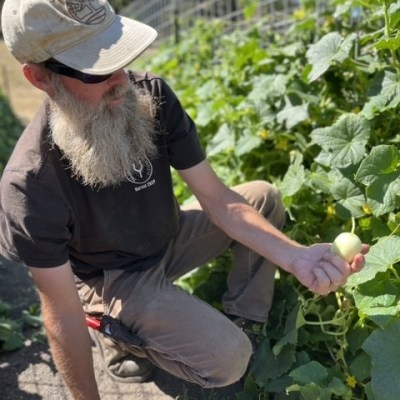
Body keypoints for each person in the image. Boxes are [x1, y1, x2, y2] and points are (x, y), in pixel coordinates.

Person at [0, 1, 368, 399]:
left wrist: (297, 257)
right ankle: (117, 334)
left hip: (168, 235)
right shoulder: (29, 185)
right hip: (112, 279)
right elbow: (61, 314)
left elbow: (218, 199)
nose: (121, 79)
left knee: (264, 197)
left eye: (120, 54)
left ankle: (245, 319)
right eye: (99, 69)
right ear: (39, 77)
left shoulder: (147, 96)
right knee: (227, 358)